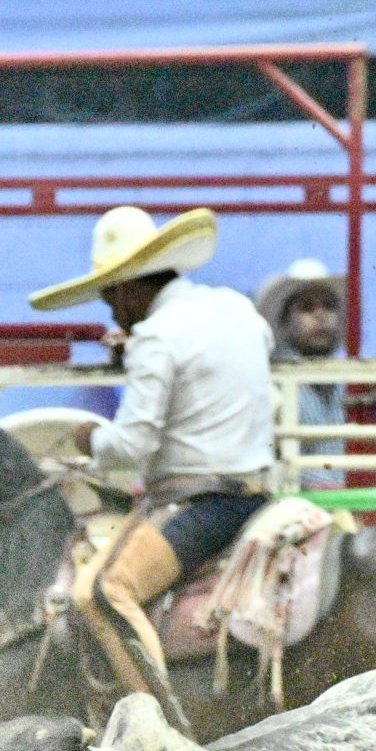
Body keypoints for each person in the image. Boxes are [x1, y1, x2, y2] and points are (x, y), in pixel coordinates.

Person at [32, 207, 273, 711]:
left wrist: (86, 438)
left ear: (125, 290)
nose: (112, 315)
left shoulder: (156, 339)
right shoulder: (235, 309)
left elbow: (131, 446)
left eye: (110, 300)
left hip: (202, 504)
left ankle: (159, 725)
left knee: (98, 592)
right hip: (257, 491)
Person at [256, 259, 348, 490]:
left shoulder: (347, 382)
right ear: (284, 324)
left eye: (328, 306)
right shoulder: (272, 384)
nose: (320, 316)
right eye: (306, 308)